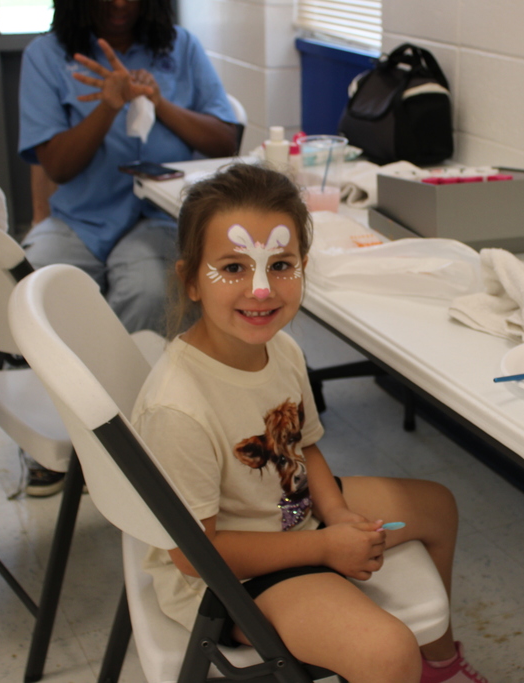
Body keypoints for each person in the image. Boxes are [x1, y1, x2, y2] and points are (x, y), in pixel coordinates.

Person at [131, 164, 489, 683]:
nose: (260, 289)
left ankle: (439, 667)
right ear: (191, 281)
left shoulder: (282, 349)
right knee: (387, 653)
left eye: (280, 264)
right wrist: (324, 546)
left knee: (437, 507)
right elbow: (192, 555)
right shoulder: (177, 408)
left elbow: (305, 449)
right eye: (233, 268)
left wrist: (337, 513)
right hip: (227, 577)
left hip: (287, 511)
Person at [18, 0, 239, 495]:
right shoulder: (46, 56)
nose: (120, 2)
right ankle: (64, 430)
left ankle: (132, 438)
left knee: (147, 290)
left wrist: (160, 104)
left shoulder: (180, 49)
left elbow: (225, 136)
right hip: (82, 215)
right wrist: (109, 104)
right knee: (33, 285)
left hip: (157, 217)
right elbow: (57, 166)